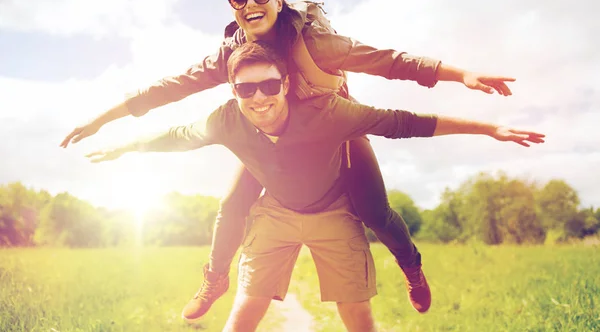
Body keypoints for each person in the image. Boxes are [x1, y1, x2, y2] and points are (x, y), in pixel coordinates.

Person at [61, 0, 517, 318]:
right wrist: (104, 120)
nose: (249, 2)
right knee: (232, 206)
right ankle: (214, 279)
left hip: (333, 128)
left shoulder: (317, 44)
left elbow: (391, 62)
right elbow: (171, 87)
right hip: (269, 135)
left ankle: (412, 267)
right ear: (232, 6)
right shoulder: (230, 55)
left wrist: (463, 75)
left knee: (373, 210)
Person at [87, 42, 544, 332]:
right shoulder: (225, 120)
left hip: (334, 210)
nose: (260, 97)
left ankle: (413, 269)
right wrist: (124, 146)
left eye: (269, 85)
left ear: (285, 83)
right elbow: (175, 137)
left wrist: (488, 129)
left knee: (358, 308)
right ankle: (213, 280)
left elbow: (404, 123)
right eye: (246, 90)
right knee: (246, 306)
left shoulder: (329, 111)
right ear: (233, 93)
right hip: (277, 213)